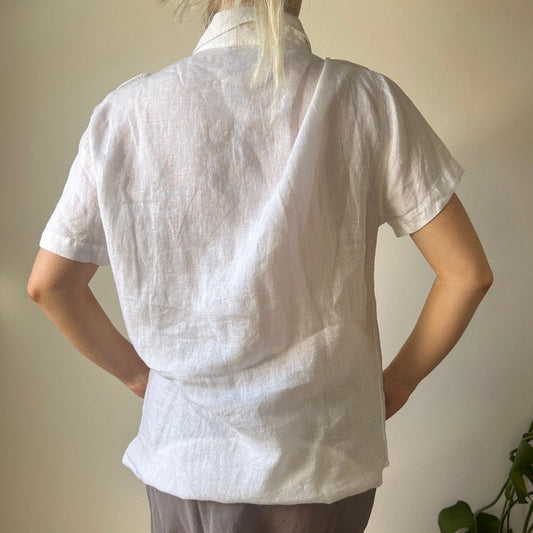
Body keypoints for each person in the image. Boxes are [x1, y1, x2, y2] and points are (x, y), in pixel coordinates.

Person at [27, 0, 494, 531]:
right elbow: (467, 274)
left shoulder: (126, 113)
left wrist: (138, 376)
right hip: (324, 459)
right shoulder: (367, 100)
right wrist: (398, 383)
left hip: (186, 455)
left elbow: (49, 286)